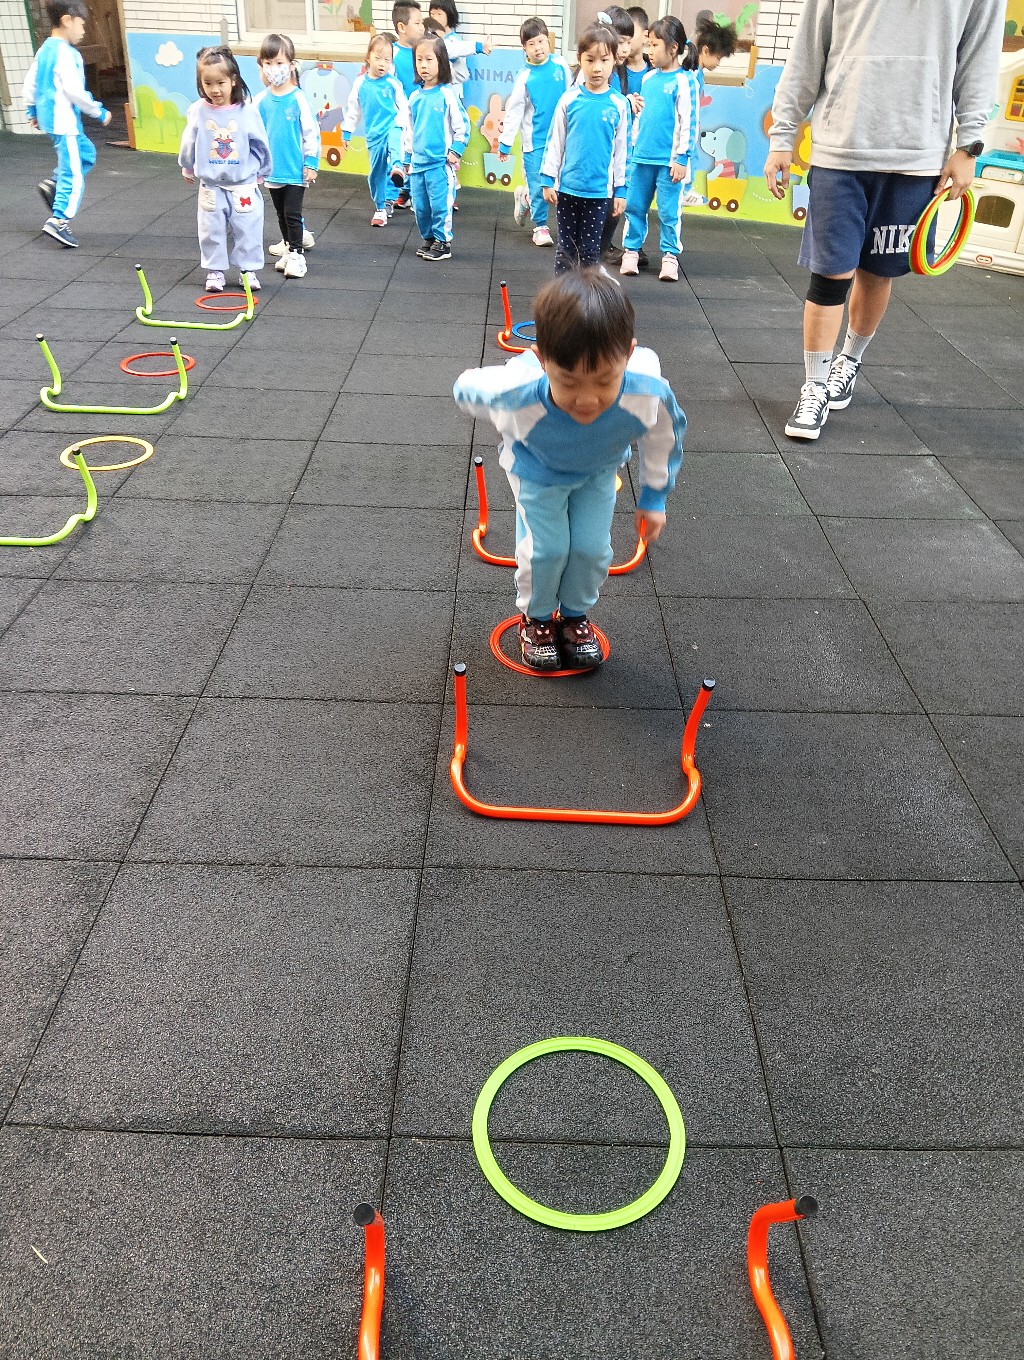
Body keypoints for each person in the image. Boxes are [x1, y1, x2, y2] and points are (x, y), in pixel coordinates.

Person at [763, 0, 1004, 440]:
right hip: (840, 147)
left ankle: (849, 361)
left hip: (917, 155)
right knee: (829, 275)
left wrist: (969, 145)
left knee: (877, 273)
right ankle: (814, 386)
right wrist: (783, 135)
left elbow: (979, 56)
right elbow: (808, 48)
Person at [453, 269, 685, 671]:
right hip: (537, 472)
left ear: (628, 357)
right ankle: (537, 619)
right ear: (544, 361)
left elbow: (664, 438)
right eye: (569, 382)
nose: (587, 399)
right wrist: (485, 384)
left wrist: (654, 497)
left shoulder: (646, 392)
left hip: (598, 471)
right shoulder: (516, 395)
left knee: (591, 549)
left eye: (604, 381)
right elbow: (467, 388)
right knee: (548, 549)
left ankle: (575, 616)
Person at [178, 45, 271, 293]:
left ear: (233, 80)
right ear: (200, 83)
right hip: (212, 184)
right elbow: (189, 141)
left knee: (248, 227)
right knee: (211, 229)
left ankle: (248, 270)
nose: (215, 90)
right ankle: (215, 270)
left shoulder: (246, 111)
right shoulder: (198, 110)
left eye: (220, 82)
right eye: (208, 83)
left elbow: (260, 143)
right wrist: (187, 166)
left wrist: (262, 170)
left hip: (243, 184)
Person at [22, 0, 112, 249]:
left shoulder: (45, 49)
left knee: (86, 154)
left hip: (53, 120)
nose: (83, 31)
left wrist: (32, 109)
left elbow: (30, 83)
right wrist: (98, 111)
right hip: (64, 122)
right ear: (66, 20)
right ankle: (59, 220)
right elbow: (75, 91)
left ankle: (54, 184)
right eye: (81, 25)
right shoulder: (68, 54)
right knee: (73, 174)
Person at [540, 23, 629, 274]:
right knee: (566, 250)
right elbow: (555, 141)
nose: (597, 67)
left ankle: (588, 297)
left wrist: (621, 190)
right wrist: (548, 179)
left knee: (590, 252)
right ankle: (563, 296)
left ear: (614, 60)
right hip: (568, 189)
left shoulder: (619, 104)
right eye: (590, 60)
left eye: (604, 60)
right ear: (580, 59)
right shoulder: (569, 99)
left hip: (599, 193)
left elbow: (622, 152)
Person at [620, 15, 699, 282]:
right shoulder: (649, 78)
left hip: (668, 162)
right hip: (641, 158)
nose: (649, 51)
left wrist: (682, 158)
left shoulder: (686, 81)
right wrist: (632, 149)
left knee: (668, 211)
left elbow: (690, 122)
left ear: (673, 48)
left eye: (655, 45)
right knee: (634, 205)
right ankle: (631, 251)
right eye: (649, 45)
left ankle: (669, 256)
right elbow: (641, 118)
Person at [498, 17, 573, 248]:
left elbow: (572, 95)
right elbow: (514, 111)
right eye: (531, 44)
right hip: (536, 141)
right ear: (524, 49)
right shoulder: (525, 77)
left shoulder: (560, 65)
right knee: (540, 182)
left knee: (560, 183)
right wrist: (505, 143)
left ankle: (526, 197)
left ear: (548, 41)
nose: (537, 47)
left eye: (541, 41)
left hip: (563, 137)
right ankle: (540, 226)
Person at [255, 33, 319, 279]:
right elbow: (254, 134)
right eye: (268, 63)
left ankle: (297, 255)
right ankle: (289, 248)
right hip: (273, 170)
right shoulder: (261, 101)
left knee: (293, 214)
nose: (274, 68)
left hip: (295, 169)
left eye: (279, 63)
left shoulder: (298, 98)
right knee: (281, 214)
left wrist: (311, 161)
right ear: (261, 65)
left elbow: (311, 132)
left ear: (291, 65)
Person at [401, 34, 469, 261]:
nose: (424, 65)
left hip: (439, 165)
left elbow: (463, 126)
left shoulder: (447, 95)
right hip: (418, 164)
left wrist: (456, 150)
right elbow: (409, 131)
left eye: (429, 59)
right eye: (419, 60)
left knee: (440, 205)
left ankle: (443, 241)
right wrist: (407, 157)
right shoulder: (414, 98)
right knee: (421, 207)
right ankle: (429, 238)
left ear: (441, 61)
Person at [339, 31, 410, 226]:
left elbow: (404, 108)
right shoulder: (360, 83)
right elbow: (354, 109)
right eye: (378, 58)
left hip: (393, 126)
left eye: (387, 60)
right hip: (374, 134)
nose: (382, 64)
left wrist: (403, 127)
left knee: (395, 139)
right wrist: (347, 131)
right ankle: (380, 208)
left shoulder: (393, 83)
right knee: (376, 173)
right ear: (368, 57)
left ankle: (397, 166)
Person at [390, 0, 425, 208]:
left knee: (420, 151)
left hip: (423, 110)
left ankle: (417, 192)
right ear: (402, 27)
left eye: (422, 23)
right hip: (402, 114)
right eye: (418, 23)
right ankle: (404, 191)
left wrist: (478, 47)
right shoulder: (391, 54)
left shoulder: (423, 50)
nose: (422, 27)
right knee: (404, 151)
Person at [427, 0, 492, 88]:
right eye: (432, 14)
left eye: (439, 14)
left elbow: (462, 75)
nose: (434, 18)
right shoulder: (428, 38)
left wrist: (479, 47)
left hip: (450, 89)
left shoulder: (454, 41)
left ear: (449, 15)